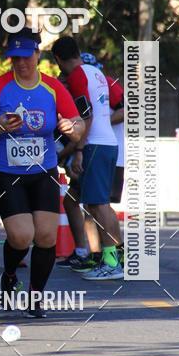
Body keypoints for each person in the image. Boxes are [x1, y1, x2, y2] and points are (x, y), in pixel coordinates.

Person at [0, 29, 83, 317]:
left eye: (25, 57)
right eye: (14, 58)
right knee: (22, 237)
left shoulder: (51, 87)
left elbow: (77, 122)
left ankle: (35, 296)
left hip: (44, 170)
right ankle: (9, 275)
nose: (20, 63)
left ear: (37, 55)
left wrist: (72, 129)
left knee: (46, 236)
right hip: (7, 172)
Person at [52, 35, 123, 280]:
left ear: (59, 59)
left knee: (98, 205)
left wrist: (78, 150)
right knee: (82, 200)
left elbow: (86, 116)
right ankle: (109, 255)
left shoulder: (77, 76)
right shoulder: (95, 71)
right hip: (106, 143)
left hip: (94, 145)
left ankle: (111, 261)